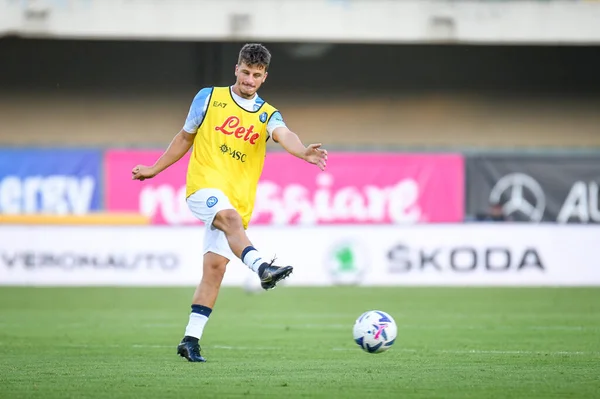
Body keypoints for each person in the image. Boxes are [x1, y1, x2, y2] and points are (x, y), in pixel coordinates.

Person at [131, 43, 328, 362]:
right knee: (230, 219)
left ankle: (189, 340)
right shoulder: (208, 97)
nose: (250, 79)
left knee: (215, 269)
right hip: (203, 189)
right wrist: (155, 168)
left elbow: (284, 134)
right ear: (236, 69)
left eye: (257, 75)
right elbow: (185, 137)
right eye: (246, 72)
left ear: (264, 77)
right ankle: (263, 267)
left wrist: (303, 150)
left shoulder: (267, 114)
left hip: (237, 201)